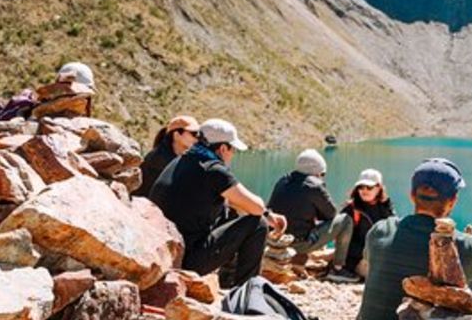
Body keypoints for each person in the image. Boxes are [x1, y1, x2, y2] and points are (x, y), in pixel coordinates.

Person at [348, 158, 472, 320]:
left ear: (412, 195)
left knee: (383, 277)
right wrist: (469, 248)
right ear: (453, 200)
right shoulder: (458, 244)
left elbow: (368, 258)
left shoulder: (381, 230)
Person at [149, 118, 285, 288]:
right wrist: (269, 217)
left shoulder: (183, 160)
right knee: (258, 224)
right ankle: (248, 290)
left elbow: (236, 200)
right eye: (233, 148)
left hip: (165, 254)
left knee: (232, 212)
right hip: (188, 260)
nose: (233, 153)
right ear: (222, 148)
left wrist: (267, 212)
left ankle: (227, 282)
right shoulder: (213, 170)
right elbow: (256, 208)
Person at [326, 168, 395, 283]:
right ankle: (339, 270)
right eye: (361, 187)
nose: (364, 191)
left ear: (379, 188)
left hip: (377, 253)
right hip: (357, 257)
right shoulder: (351, 208)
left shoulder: (386, 207)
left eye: (369, 187)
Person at [268, 149, 338, 257]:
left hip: (275, 241)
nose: (322, 177)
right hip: (299, 244)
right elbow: (331, 214)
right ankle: (340, 265)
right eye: (322, 173)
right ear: (316, 172)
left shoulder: (283, 180)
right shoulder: (315, 186)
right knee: (345, 221)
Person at [134, 115, 199, 199]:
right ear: (177, 135)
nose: (197, 139)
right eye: (194, 134)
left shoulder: (179, 156)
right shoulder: (158, 159)